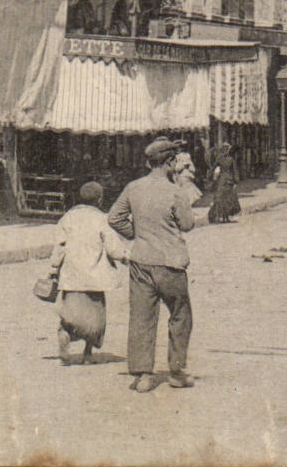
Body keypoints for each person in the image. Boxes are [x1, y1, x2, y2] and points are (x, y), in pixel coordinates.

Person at [108, 138, 199, 392]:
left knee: (141, 317)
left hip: (141, 261)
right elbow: (188, 224)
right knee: (181, 315)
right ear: (170, 163)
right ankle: (177, 371)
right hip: (171, 263)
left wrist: (135, 233)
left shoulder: (133, 188)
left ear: (149, 162)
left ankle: (143, 375)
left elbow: (114, 217)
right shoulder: (175, 191)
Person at [48, 182, 124, 365]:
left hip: (71, 276)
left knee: (70, 313)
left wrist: (53, 268)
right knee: (95, 316)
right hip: (94, 278)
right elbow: (113, 248)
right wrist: (126, 257)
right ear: (99, 200)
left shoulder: (67, 218)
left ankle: (65, 334)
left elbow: (59, 246)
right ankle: (88, 353)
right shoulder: (101, 220)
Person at [207, 144, 241, 224]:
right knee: (228, 199)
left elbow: (213, 169)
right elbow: (235, 171)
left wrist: (209, 177)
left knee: (221, 199)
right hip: (229, 180)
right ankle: (226, 217)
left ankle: (220, 217)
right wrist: (236, 180)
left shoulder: (219, 159)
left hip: (221, 180)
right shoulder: (231, 159)